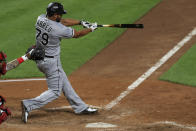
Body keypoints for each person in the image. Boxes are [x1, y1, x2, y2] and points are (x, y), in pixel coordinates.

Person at [21, 2, 98, 123]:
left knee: (64, 82)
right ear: (55, 15)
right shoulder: (58, 29)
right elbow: (77, 34)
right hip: (51, 62)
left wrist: (81, 22)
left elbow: (62, 22)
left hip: (40, 58)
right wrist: (91, 29)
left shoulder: (40, 18)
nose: (61, 16)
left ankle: (80, 107)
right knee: (55, 91)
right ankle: (28, 105)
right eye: (60, 14)